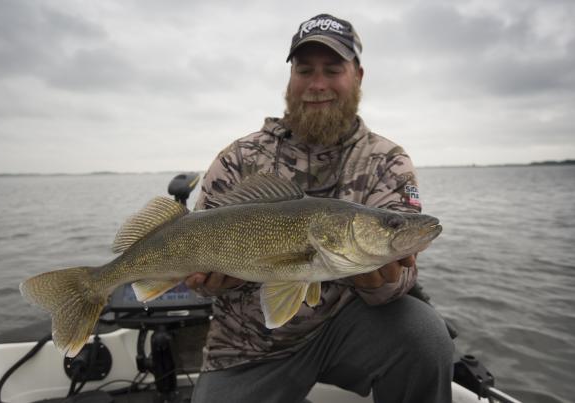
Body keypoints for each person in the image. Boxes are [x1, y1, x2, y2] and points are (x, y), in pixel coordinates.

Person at [185, 13, 454, 403]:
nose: (317, 84)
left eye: (332, 69)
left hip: (345, 329)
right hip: (246, 343)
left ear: (358, 76)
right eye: (304, 69)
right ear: (290, 78)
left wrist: (380, 279)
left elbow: (393, 287)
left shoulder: (385, 160)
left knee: (424, 335)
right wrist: (205, 280)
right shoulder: (240, 158)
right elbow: (197, 272)